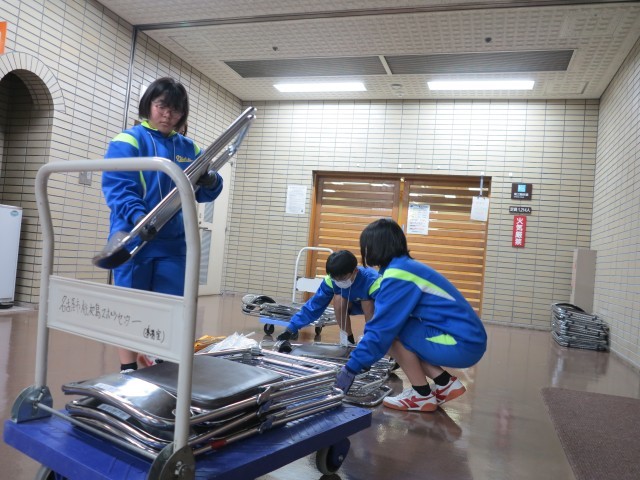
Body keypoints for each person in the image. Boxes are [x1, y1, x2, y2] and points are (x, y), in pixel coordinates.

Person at [102, 77, 223, 373]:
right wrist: (139, 219)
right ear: (149, 105)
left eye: (175, 110)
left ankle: (163, 363)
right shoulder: (128, 141)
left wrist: (211, 180)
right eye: (161, 106)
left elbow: (206, 191)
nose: (168, 115)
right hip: (134, 240)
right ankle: (128, 368)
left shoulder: (189, 148)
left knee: (172, 308)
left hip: (173, 244)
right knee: (130, 308)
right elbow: (118, 187)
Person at [335, 218, 487, 412]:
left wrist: (351, 368)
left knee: (391, 336)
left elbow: (382, 329)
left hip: (462, 343)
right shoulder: (403, 268)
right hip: (465, 337)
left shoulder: (399, 275)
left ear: (375, 246)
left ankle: (421, 395)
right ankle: (444, 383)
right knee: (397, 332)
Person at [277, 250, 381, 345]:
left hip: (371, 307)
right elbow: (315, 305)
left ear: (355, 271)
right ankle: (347, 340)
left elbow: (385, 309)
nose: (339, 281)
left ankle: (370, 339)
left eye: (343, 278)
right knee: (339, 298)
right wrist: (291, 328)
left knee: (367, 302)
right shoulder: (331, 280)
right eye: (335, 278)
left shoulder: (372, 280)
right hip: (350, 305)